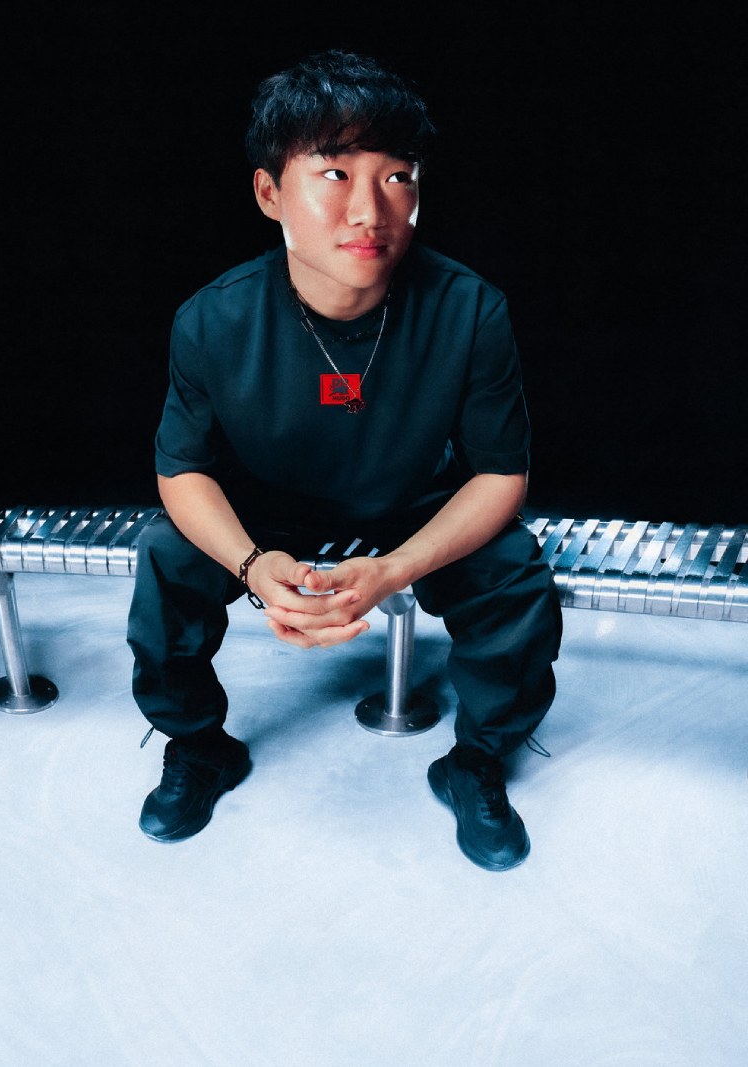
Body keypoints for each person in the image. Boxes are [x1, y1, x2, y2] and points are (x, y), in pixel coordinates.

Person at [126, 48, 562, 870]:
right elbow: (182, 469)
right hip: (269, 505)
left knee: (513, 569)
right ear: (269, 193)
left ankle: (476, 761)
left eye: (398, 176)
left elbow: (501, 474)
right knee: (168, 553)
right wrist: (253, 564)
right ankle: (198, 745)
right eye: (334, 173)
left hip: (410, 502)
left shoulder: (470, 309)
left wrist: (396, 568)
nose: (370, 208)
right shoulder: (212, 320)